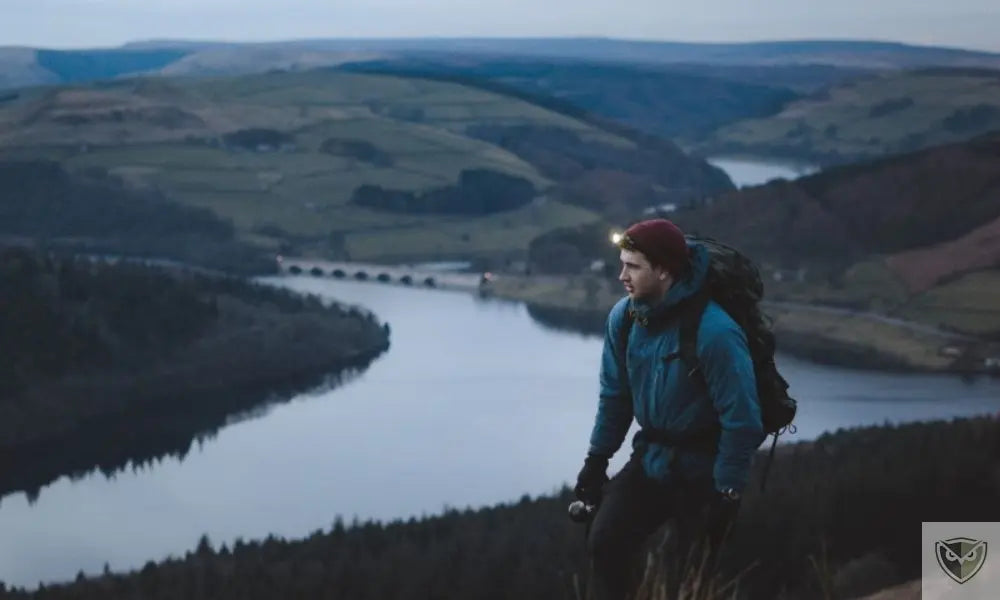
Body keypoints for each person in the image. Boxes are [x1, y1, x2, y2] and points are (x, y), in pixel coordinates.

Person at [573, 218, 765, 600]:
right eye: (622, 263)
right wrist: (596, 462)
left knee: (689, 577)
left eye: (633, 266)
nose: (621, 275)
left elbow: (742, 421)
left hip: (705, 472)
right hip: (652, 459)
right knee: (606, 543)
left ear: (664, 271)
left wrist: (727, 491)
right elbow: (615, 398)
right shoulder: (624, 319)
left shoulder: (715, 332)